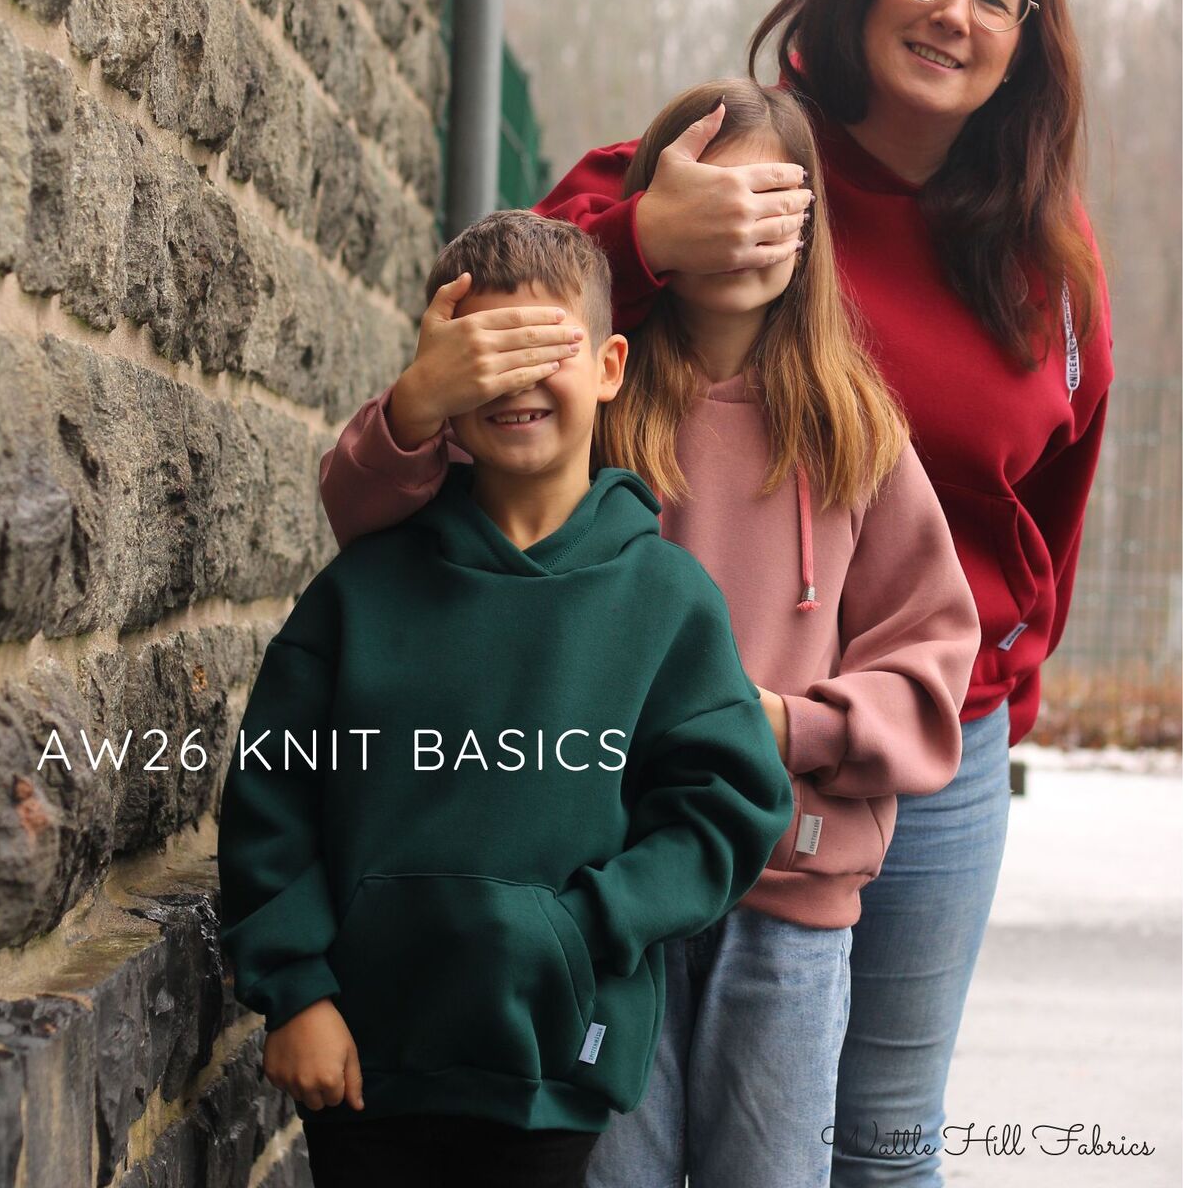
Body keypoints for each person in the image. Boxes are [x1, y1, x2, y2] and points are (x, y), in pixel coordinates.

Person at [316, 80, 981, 1187]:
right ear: (662, 207)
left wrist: (788, 725)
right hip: (606, 896)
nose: (743, 224)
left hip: (788, 901)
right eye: (714, 194)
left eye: (772, 198)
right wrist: (417, 403)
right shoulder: (597, 404)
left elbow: (929, 659)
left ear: (810, 228)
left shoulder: (856, 431)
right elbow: (367, 512)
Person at [216, 210, 793, 1188]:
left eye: (545, 350)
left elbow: (727, 808)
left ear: (609, 366)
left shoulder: (667, 599)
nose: (516, 381)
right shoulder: (362, 591)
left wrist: (585, 927)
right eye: (487, 354)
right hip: (359, 1063)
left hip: (552, 1064)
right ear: (442, 376)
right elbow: (272, 791)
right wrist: (297, 991)